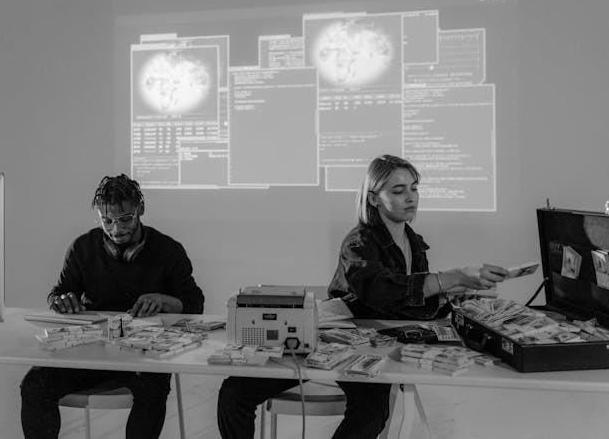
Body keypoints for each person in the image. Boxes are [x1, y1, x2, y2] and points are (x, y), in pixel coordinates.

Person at [217, 155, 506, 439]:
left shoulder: (413, 241)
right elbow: (383, 291)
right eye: (398, 190)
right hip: (333, 341)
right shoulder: (358, 243)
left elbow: (411, 302)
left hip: (377, 347)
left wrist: (452, 297)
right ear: (373, 198)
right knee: (234, 394)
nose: (411, 197)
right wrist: (450, 278)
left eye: (414, 188)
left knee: (371, 412)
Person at [20, 174, 204, 439]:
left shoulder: (168, 250)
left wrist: (166, 300)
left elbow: (195, 304)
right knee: (35, 384)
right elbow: (58, 293)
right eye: (107, 221)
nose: (116, 229)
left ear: (141, 209)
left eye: (125, 219)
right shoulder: (83, 247)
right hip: (91, 352)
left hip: (144, 356)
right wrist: (61, 301)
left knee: (153, 390)